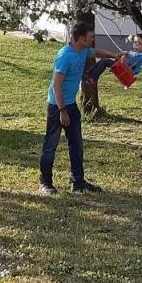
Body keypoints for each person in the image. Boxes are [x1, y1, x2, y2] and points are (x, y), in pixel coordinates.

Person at [41, 20, 121, 194]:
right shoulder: (65, 56)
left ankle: (78, 182)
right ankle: (45, 183)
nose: (93, 40)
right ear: (81, 39)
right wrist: (62, 111)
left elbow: (97, 52)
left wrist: (115, 56)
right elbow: (56, 86)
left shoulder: (83, 51)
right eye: (91, 37)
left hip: (71, 104)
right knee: (50, 145)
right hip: (57, 106)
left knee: (76, 145)